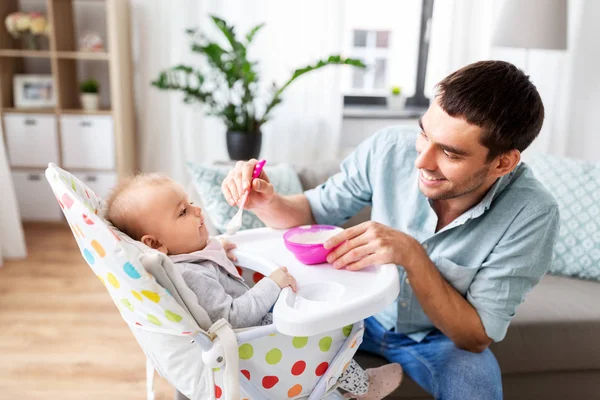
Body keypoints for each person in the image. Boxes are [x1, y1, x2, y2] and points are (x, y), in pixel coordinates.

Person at [221, 60, 560, 399]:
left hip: (437, 339)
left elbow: (475, 336)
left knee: (477, 389)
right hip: (351, 313)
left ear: (502, 163)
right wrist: (264, 201)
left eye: (450, 153)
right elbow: (312, 211)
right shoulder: (388, 148)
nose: (421, 162)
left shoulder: (533, 213)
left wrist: (411, 254)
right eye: (424, 134)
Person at [105, 173, 403, 400]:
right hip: (259, 345)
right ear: (156, 244)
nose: (197, 211)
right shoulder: (191, 276)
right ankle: (361, 388)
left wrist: (216, 249)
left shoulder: (190, 258)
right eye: (183, 212)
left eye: (191, 203)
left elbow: (205, 264)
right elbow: (233, 317)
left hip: (256, 329)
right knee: (330, 333)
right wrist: (272, 285)